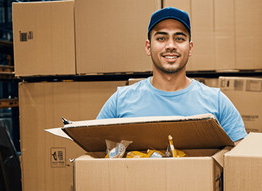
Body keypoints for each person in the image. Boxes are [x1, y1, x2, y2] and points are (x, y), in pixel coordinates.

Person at [97, 7, 247, 144]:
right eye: (161, 38)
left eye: (179, 38)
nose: (170, 46)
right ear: (148, 47)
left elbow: (240, 160)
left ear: (190, 48)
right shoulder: (120, 101)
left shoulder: (217, 102)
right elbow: (94, 155)